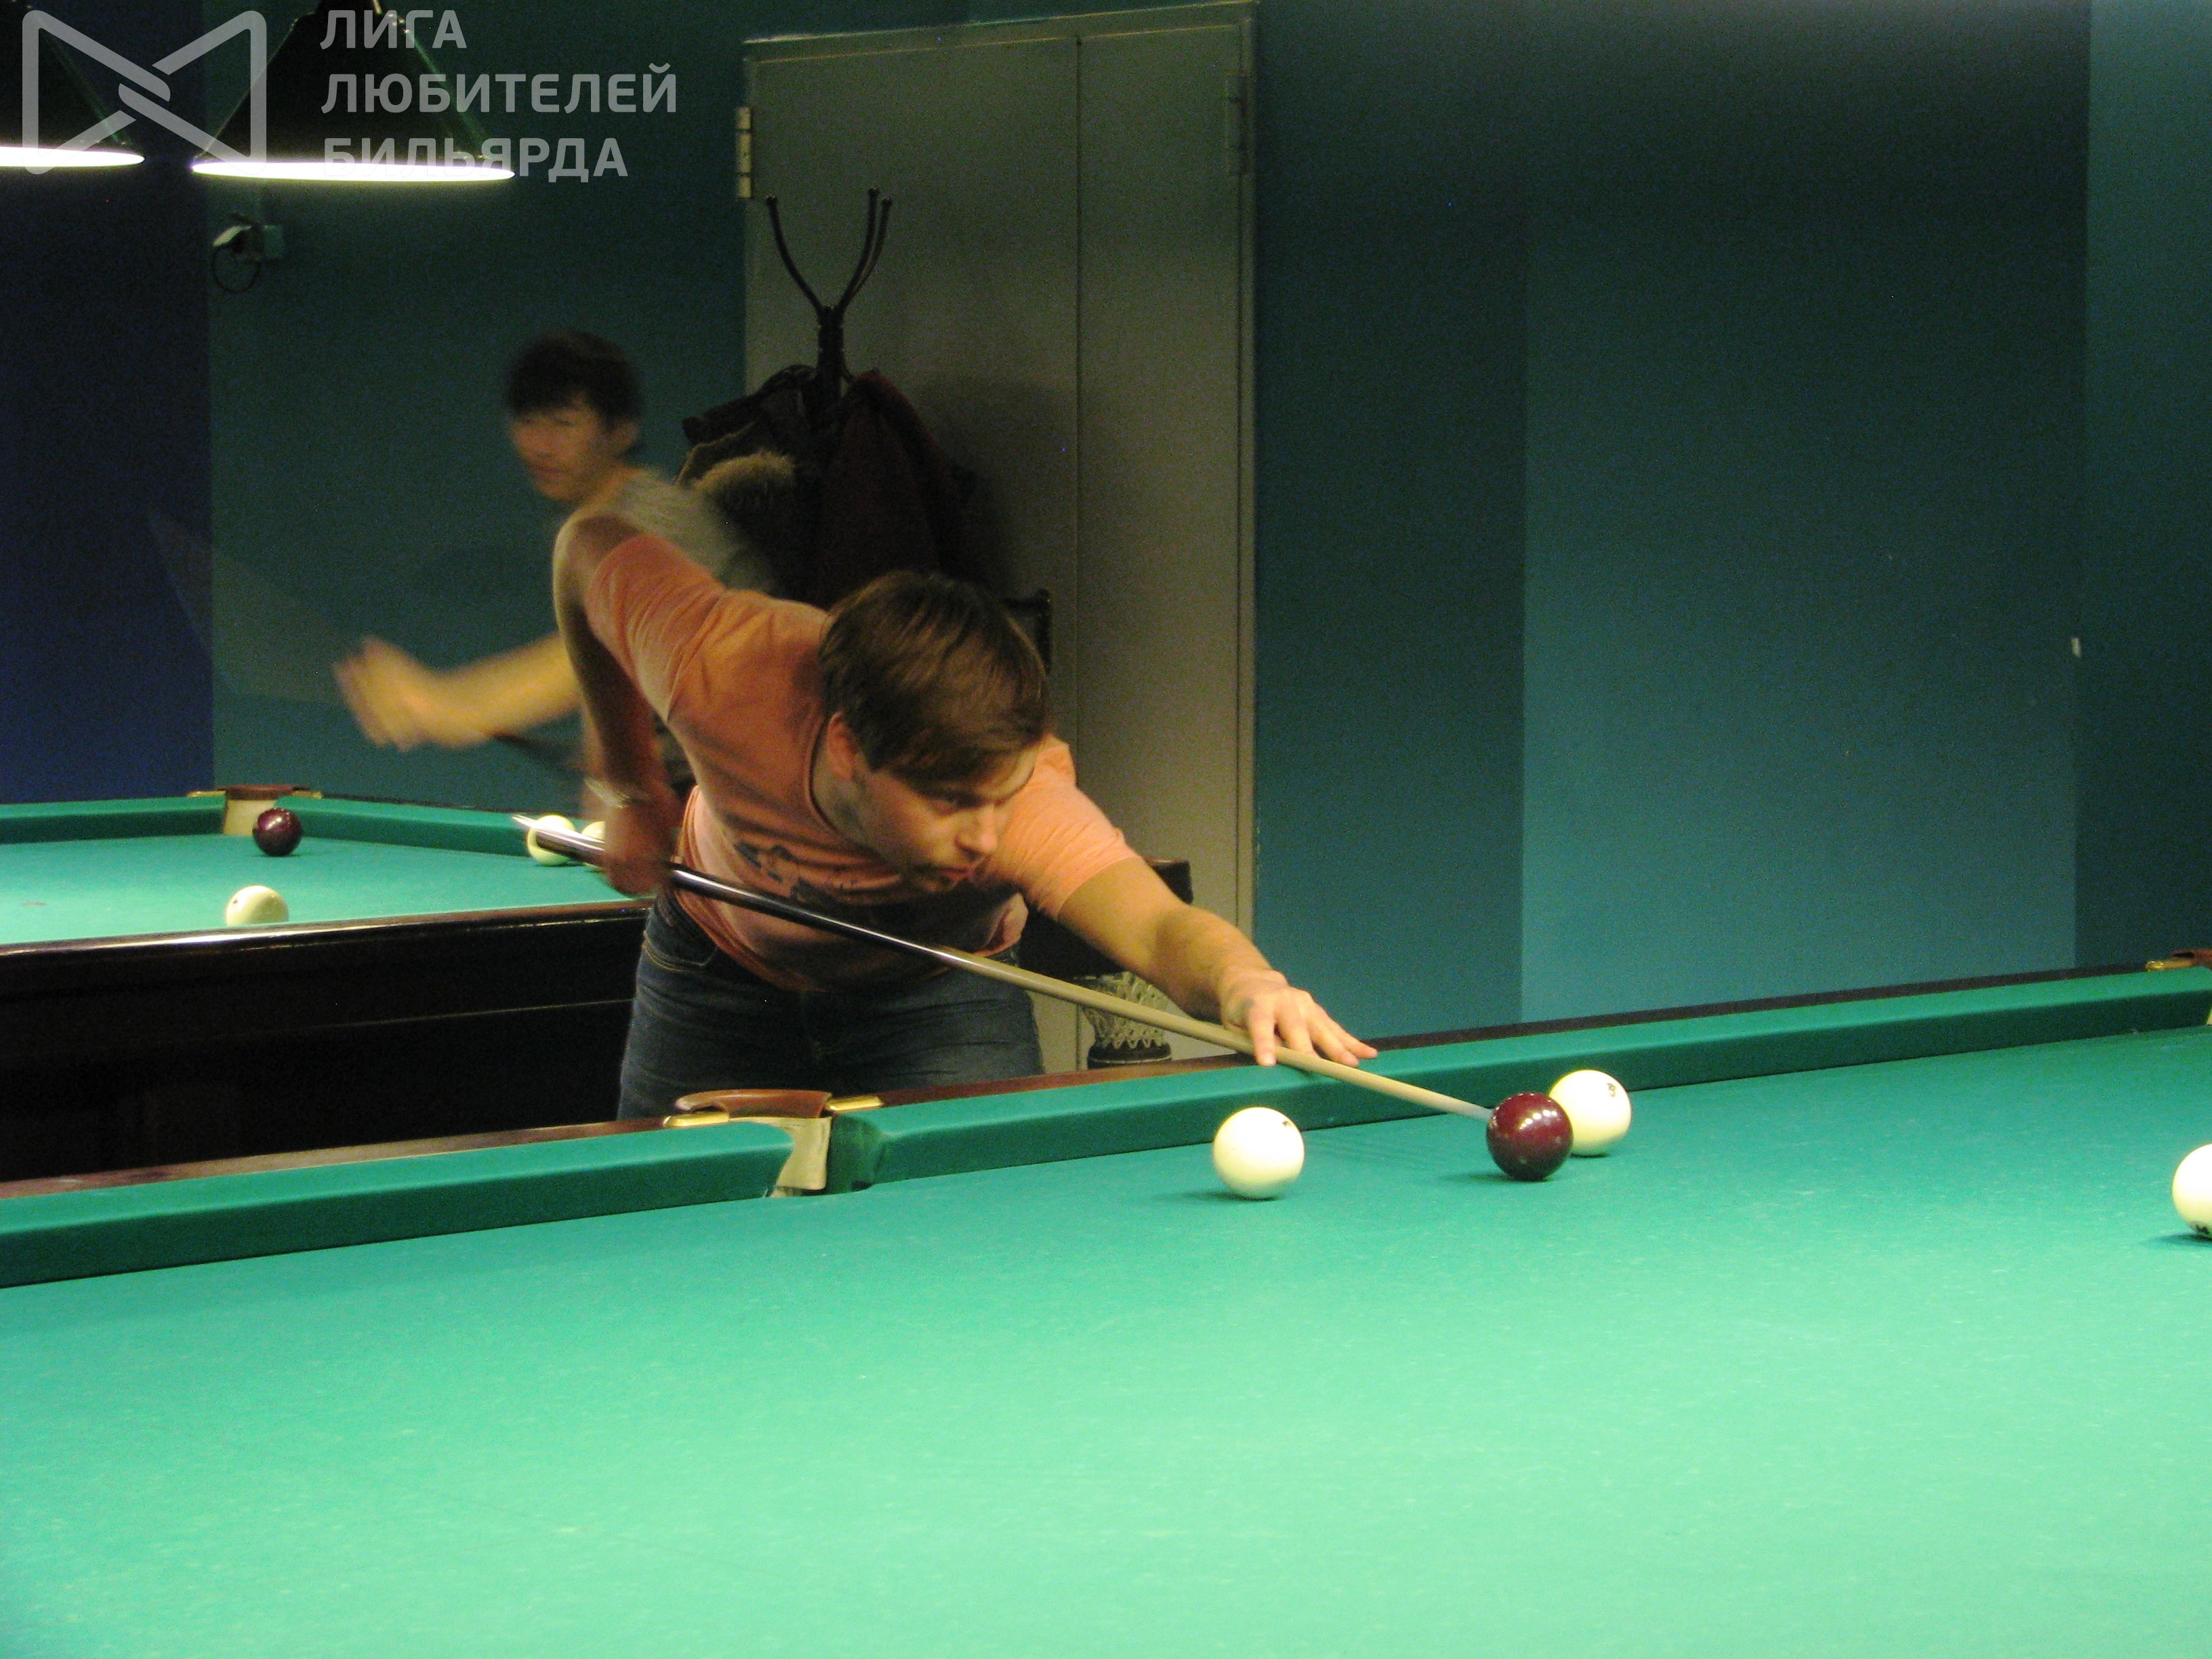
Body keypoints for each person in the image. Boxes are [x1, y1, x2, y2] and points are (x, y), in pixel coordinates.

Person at [552, 514, 1377, 1111]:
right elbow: (585, 550)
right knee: (655, 1232)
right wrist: (629, 784)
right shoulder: (723, 667)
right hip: (716, 970)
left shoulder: (1024, 814)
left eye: (1000, 796)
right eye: (948, 800)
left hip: (936, 994)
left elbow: (1162, 930)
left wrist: (1248, 983)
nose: (984, 837)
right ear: (847, 747)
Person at [337, 331, 777, 751]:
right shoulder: (588, 526)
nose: (541, 446)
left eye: (564, 423)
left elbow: (591, 658)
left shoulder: (651, 523)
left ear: (621, 430)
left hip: (766, 773)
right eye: (527, 421)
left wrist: (447, 703)